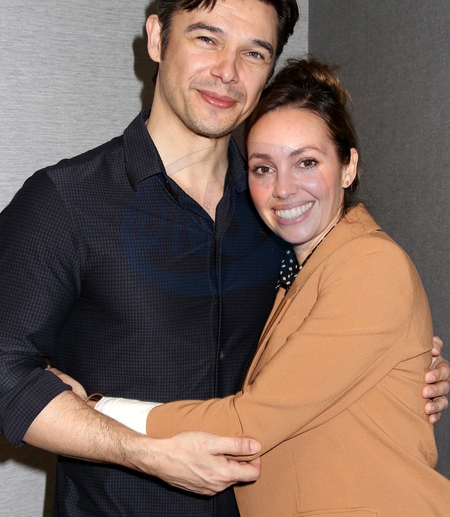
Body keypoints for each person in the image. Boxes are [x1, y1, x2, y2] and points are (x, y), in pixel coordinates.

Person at [0, 0, 447, 516]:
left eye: (253, 53)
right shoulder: (66, 200)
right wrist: (139, 451)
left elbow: (320, 335)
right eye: (207, 39)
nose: (227, 72)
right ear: (157, 38)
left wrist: (404, 366)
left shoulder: (280, 213)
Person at [62, 58, 450, 515]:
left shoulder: (369, 265)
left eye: (307, 162)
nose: (284, 188)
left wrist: (94, 409)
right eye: (264, 168)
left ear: (348, 166)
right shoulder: (292, 265)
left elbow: (247, 422)